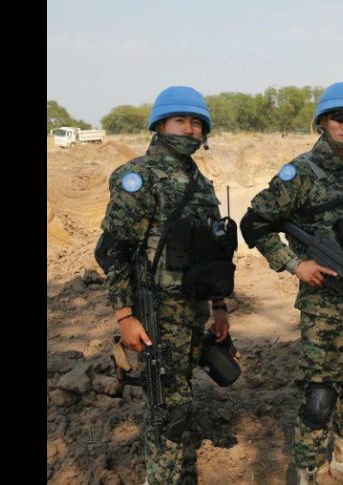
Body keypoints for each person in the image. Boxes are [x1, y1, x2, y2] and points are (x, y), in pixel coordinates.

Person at [241, 82, 343, 484]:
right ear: (322, 122)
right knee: (320, 395)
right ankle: (310, 469)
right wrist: (294, 264)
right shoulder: (301, 174)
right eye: (337, 117)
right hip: (325, 305)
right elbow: (254, 223)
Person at [98, 86, 232, 484]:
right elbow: (113, 252)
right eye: (181, 121)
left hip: (191, 312)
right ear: (159, 125)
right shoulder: (137, 177)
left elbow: (213, 256)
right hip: (154, 313)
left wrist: (219, 307)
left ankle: (170, 471)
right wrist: (125, 316)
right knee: (167, 410)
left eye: (196, 124)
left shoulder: (201, 184)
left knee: (181, 399)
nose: (189, 131)